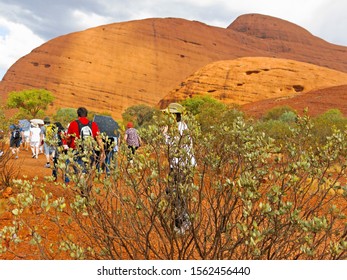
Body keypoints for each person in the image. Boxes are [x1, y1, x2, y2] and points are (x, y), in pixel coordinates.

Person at [161, 102, 196, 235]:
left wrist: (164, 134)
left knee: (175, 194)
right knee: (177, 194)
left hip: (179, 166)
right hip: (184, 166)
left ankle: (180, 225)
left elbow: (173, 145)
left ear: (174, 116)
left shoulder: (177, 128)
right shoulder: (183, 126)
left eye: (168, 115)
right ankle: (184, 221)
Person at [62, 107, 105, 186]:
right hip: (90, 151)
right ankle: (87, 187)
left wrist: (66, 144)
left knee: (79, 171)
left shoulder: (73, 123)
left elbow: (68, 138)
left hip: (77, 150)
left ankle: (83, 189)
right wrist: (102, 151)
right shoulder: (93, 124)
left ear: (78, 114)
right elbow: (99, 139)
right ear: (86, 115)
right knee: (88, 171)